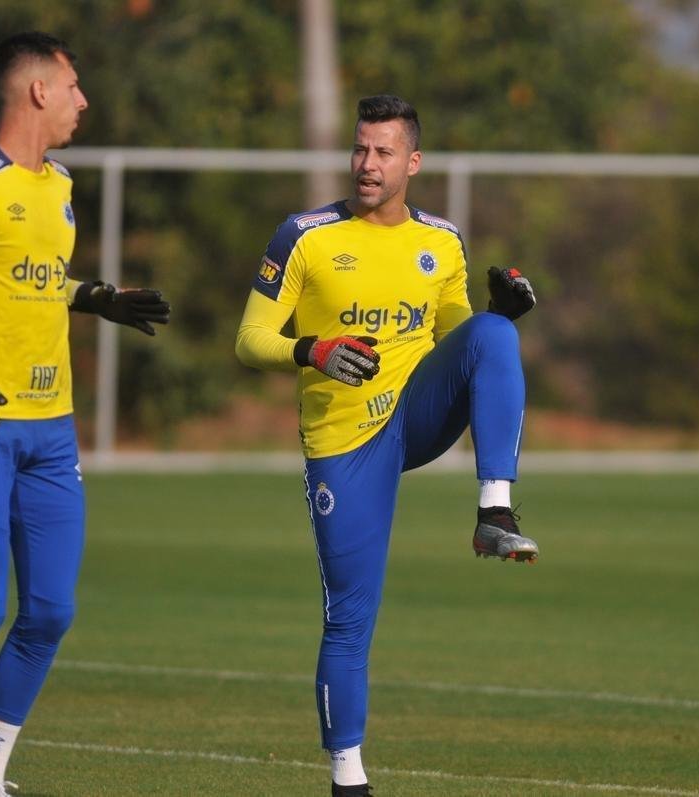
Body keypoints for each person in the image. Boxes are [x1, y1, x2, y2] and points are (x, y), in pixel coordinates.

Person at [0, 32, 170, 797]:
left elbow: (34, 280)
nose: (83, 99)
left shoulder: (63, 184)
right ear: (38, 91)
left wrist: (95, 296)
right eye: (74, 86)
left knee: (49, 610)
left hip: (53, 431)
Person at [235, 94, 538, 796]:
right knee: (349, 615)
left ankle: (496, 512)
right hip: (345, 440)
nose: (368, 164)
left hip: (413, 415)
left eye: (384, 151)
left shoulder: (442, 240)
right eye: (360, 148)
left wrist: (501, 314)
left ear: (413, 161)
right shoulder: (303, 234)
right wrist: (313, 350)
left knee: (496, 336)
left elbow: (461, 344)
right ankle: (348, 778)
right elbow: (249, 339)